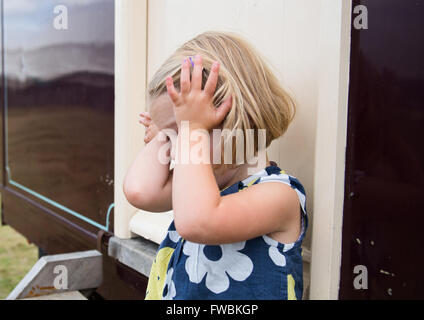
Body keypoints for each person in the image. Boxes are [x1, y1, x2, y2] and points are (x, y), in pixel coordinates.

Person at [124, 31, 308, 300]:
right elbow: (140, 191)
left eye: (184, 133)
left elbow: (199, 221)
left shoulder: (278, 195)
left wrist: (190, 129)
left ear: (236, 120)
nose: (177, 148)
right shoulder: (202, 185)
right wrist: (163, 133)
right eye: (171, 137)